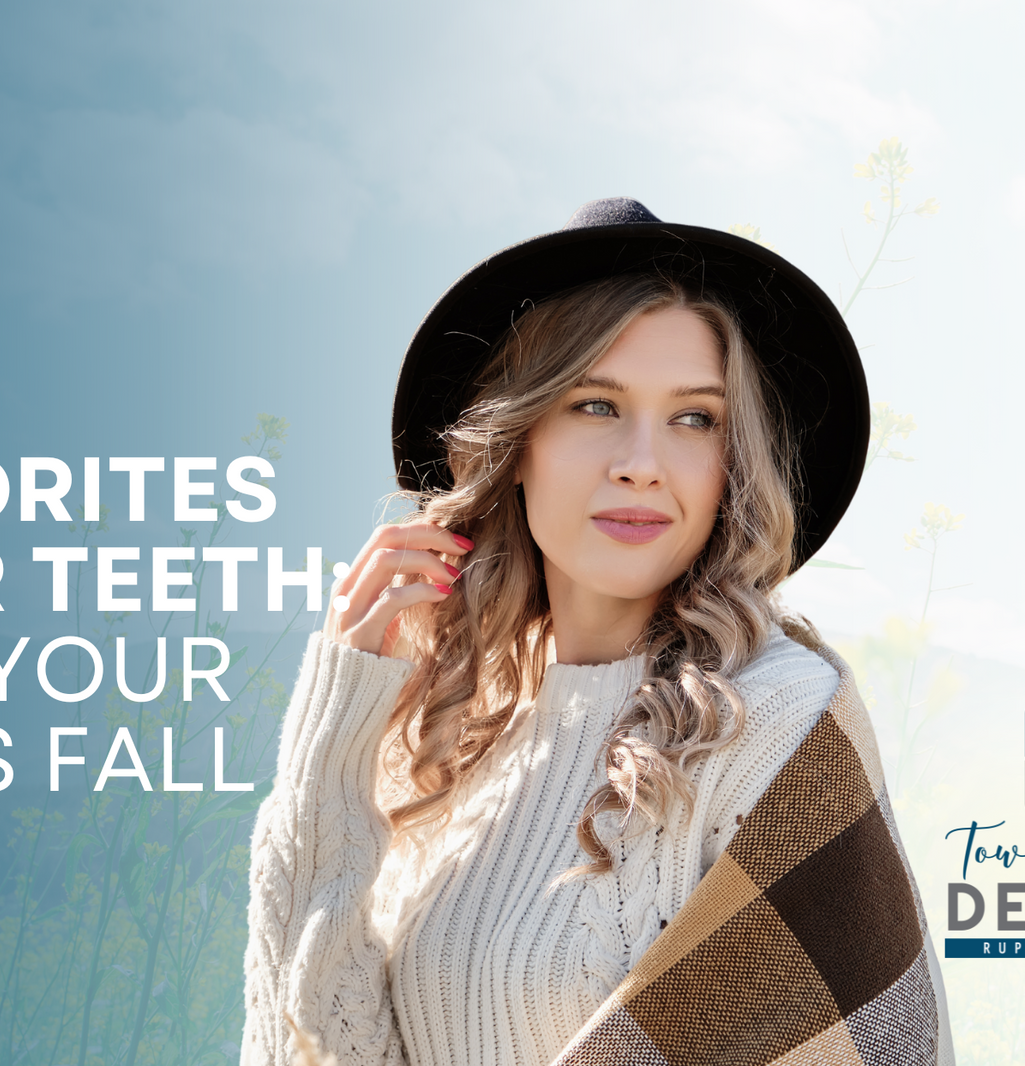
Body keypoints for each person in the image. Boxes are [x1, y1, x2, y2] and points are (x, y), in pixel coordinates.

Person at [241, 199, 952, 1066]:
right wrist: (336, 734)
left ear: (734, 463)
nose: (643, 462)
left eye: (696, 418)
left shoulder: (778, 718)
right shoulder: (443, 737)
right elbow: (316, 1043)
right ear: (516, 441)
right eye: (594, 405)